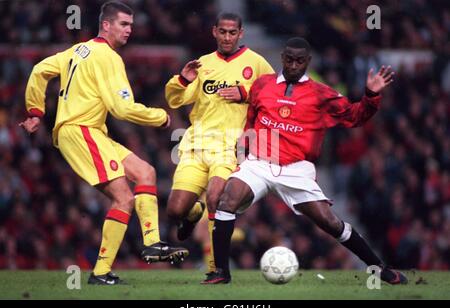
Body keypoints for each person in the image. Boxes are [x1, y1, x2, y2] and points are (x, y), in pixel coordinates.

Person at [204, 37, 408, 285]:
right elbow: (250, 120)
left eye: (299, 61)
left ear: (308, 62)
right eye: (289, 60)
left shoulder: (321, 94)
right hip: (258, 163)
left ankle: (381, 269)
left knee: (331, 223)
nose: (293, 65)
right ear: (282, 59)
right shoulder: (262, 85)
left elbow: (355, 117)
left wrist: (370, 95)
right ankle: (221, 273)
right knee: (227, 199)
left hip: (296, 170)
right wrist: (242, 156)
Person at [19, 1, 188, 285]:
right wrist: (158, 117)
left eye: (131, 25)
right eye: (123, 24)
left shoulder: (77, 50)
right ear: (106, 25)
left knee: (145, 172)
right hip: (81, 131)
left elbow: (39, 70)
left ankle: (152, 244)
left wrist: (36, 112)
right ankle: (101, 272)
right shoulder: (108, 57)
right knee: (124, 198)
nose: (129, 30)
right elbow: (121, 108)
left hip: (89, 132)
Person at [165, 13, 274, 282]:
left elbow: (275, 94)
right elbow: (175, 100)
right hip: (195, 144)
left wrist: (246, 94)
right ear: (214, 32)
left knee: (216, 198)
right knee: (175, 210)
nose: (227, 37)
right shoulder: (202, 64)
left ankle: (217, 269)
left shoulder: (257, 63)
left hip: (229, 147)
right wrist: (182, 79)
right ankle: (192, 215)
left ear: (241, 33)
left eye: (232, 32)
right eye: (222, 32)